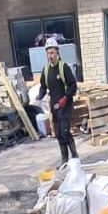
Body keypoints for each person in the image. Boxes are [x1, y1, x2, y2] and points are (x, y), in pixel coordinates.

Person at [37, 37, 78, 165]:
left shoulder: (63, 67)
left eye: (52, 52)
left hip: (65, 104)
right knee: (59, 133)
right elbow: (43, 85)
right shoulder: (46, 70)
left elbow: (73, 85)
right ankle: (64, 160)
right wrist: (39, 96)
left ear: (57, 52)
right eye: (48, 53)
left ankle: (75, 157)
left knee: (65, 131)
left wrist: (66, 97)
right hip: (54, 105)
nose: (50, 55)